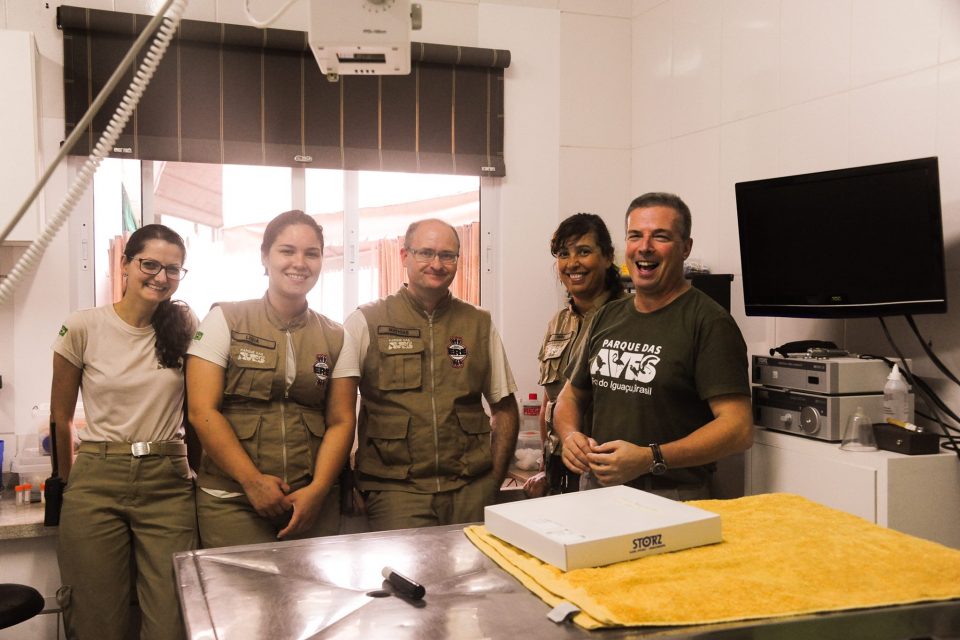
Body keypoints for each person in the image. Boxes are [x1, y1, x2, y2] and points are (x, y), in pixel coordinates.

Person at [553, 193, 753, 500]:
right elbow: (570, 397)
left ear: (686, 247)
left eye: (660, 236)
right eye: (635, 236)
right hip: (598, 492)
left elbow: (738, 429)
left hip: (673, 496)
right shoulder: (607, 315)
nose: (644, 247)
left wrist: (651, 457)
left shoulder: (709, 322)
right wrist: (570, 436)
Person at [51, 224, 197, 640]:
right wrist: (65, 483)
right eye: (149, 264)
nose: (160, 276)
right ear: (126, 265)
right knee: (97, 621)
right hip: (97, 477)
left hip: (168, 481)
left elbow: (200, 409)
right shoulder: (82, 326)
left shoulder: (184, 325)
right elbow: (60, 417)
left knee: (172, 620)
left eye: (173, 269)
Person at [336, 218, 519, 531]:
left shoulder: (478, 323)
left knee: (474, 577)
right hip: (396, 491)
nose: (437, 264)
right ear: (404, 256)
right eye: (426, 253)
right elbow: (336, 412)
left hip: (469, 489)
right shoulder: (366, 321)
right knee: (406, 579)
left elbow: (505, 409)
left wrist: (492, 482)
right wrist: (346, 482)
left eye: (448, 256)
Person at [186, 210, 355, 547]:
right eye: (287, 251)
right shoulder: (226, 320)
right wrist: (251, 481)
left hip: (310, 501)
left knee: (314, 600)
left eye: (312, 253)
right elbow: (202, 411)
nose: (299, 262)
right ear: (265, 256)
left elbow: (341, 420)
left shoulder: (336, 336)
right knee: (238, 599)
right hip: (232, 500)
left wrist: (319, 490)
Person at [524, 213, 629, 498]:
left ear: (607, 257)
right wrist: (547, 467)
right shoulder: (559, 322)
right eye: (563, 254)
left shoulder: (629, 317)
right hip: (561, 465)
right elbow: (550, 400)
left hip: (608, 466)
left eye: (584, 251)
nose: (572, 264)